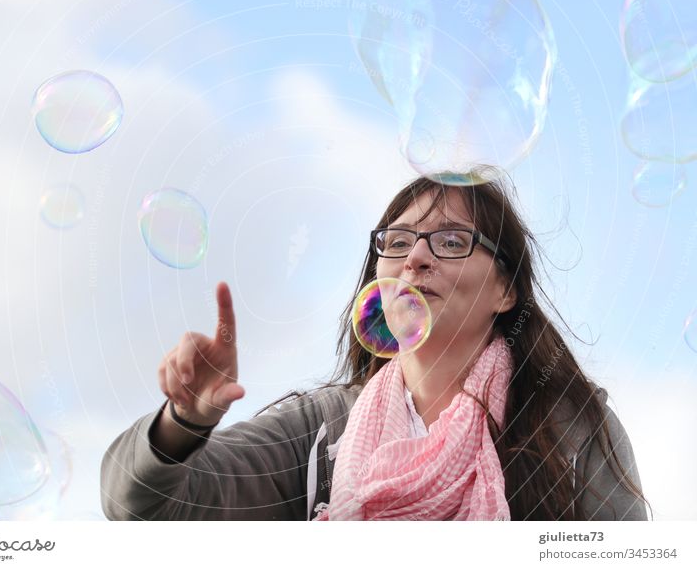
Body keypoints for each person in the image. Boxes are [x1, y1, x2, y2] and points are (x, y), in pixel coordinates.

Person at [100, 167, 651, 521]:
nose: (415, 257)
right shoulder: (317, 433)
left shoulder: (570, 429)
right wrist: (184, 421)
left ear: (506, 290)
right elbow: (140, 504)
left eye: (453, 240)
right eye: (398, 240)